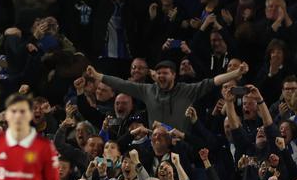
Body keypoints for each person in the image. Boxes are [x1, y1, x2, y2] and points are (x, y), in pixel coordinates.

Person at [84, 60, 251, 133]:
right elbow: (121, 84)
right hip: (155, 146)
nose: (161, 76)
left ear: (174, 75)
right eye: (159, 73)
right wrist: (98, 76)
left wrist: (236, 73)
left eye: (165, 73)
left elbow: (213, 82)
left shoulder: (188, 90)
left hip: (181, 146)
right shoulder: (147, 90)